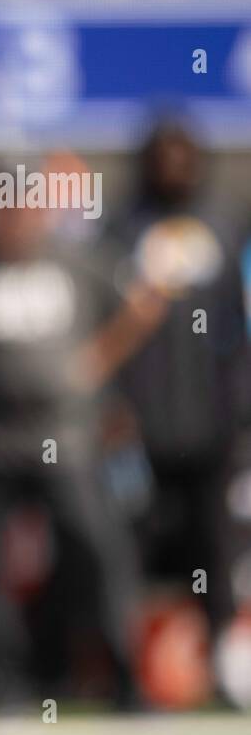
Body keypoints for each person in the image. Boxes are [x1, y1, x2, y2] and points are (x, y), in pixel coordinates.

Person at [0, 163, 162, 708]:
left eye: (25, 206)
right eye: (4, 207)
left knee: (94, 548)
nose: (15, 218)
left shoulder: (78, 261)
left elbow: (143, 304)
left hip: (67, 436)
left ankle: (121, 678)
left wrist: (97, 360)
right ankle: (1, 682)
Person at [113, 119, 250, 653]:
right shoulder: (122, 230)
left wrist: (237, 408)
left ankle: (220, 653)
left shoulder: (227, 225)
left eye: (185, 157)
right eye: (163, 157)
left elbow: (238, 327)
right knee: (133, 541)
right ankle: (129, 662)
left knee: (216, 542)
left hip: (213, 423)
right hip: (138, 426)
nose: (175, 169)